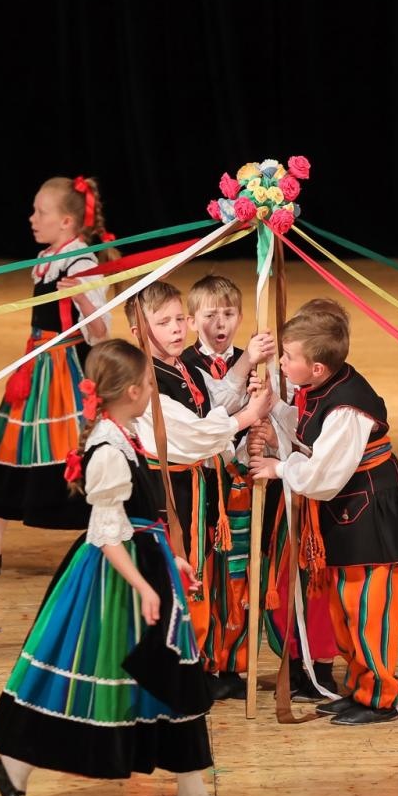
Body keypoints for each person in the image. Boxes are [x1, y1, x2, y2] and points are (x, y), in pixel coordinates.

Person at [0, 339, 253, 796]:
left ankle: (16, 767)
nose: (152, 390)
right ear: (130, 391)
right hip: (118, 580)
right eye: (149, 384)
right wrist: (147, 587)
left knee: (161, 679)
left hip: (145, 563)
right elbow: (107, 533)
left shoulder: (121, 432)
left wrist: (173, 560)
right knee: (164, 676)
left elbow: (137, 518)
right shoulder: (108, 448)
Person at [249, 308, 398, 725]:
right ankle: (359, 688)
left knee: (369, 609)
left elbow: (323, 475)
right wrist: (273, 405)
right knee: (344, 609)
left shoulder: (348, 407)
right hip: (349, 514)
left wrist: (278, 469)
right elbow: (307, 432)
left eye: (288, 356)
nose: (281, 361)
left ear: (315, 366)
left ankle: (380, 698)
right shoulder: (321, 388)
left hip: (373, 516)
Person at [0, 176, 117, 575]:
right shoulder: (47, 259)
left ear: (67, 223)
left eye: (41, 212)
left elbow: (101, 331)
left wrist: (81, 295)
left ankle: (105, 544)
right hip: (36, 366)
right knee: (8, 448)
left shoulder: (83, 263)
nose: (32, 218)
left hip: (66, 372)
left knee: (81, 455)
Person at [128, 281, 274, 699]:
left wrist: (248, 378)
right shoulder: (146, 378)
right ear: (140, 330)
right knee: (177, 577)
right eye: (163, 322)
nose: (176, 330)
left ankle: (196, 666)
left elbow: (215, 400)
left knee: (202, 577)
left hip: (199, 490)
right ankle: (165, 675)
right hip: (171, 494)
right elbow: (194, 434)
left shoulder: (183, 367)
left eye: (179, 320)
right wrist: (247, 417)